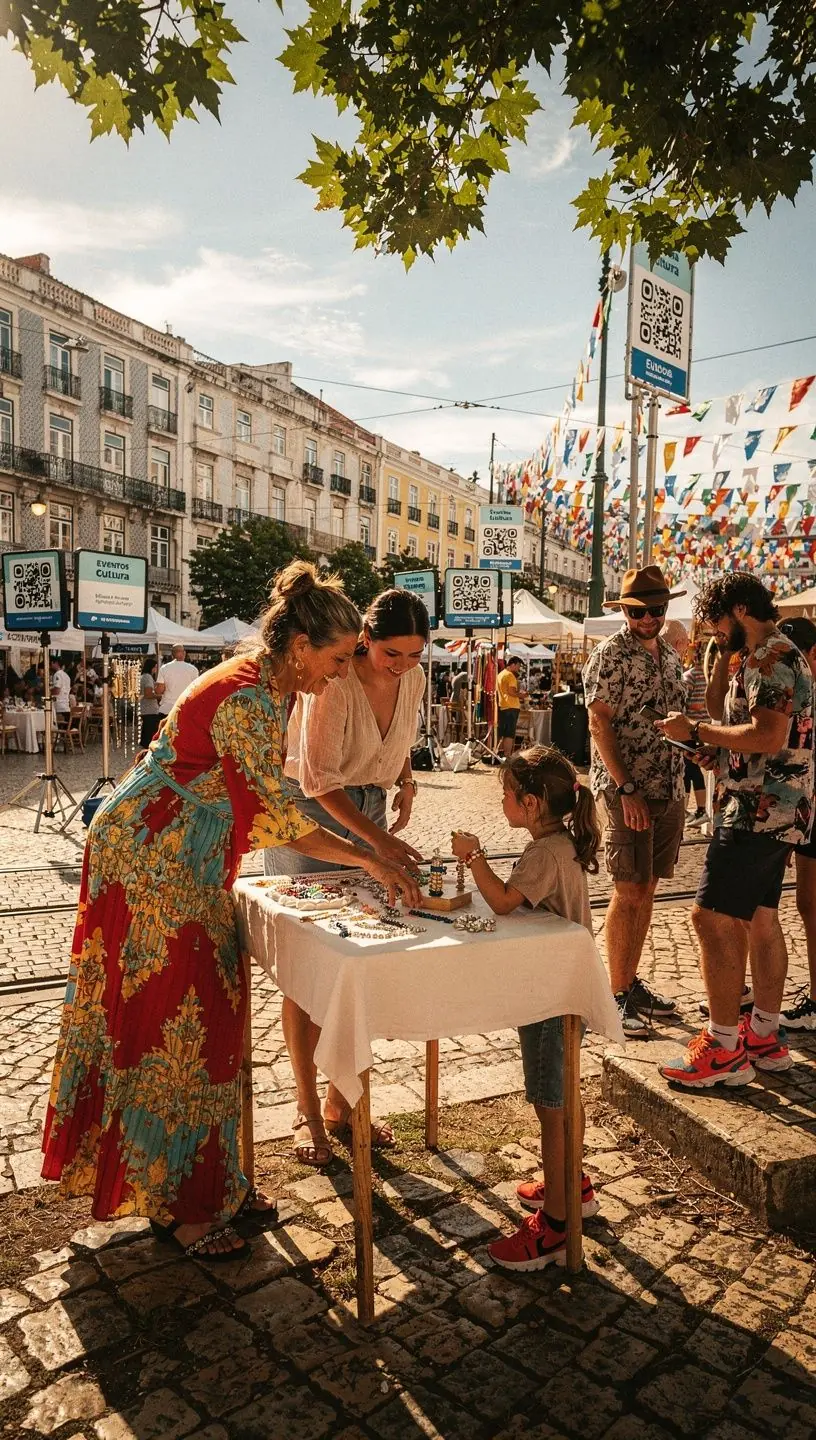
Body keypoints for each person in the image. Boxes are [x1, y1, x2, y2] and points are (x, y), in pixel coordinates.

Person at [41, 562, 420, 1263]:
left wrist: (371, 846)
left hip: (183, 852)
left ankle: (206, 1182)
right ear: (301, 646)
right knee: (172, 1020)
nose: (340, 676)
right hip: (152, 859)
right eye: (338, 660)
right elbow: (275, 818)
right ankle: (182, 1209)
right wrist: (371, 856)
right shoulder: (248, 696)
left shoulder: (264, 685)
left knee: (210, 1008)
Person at [264, 588, 428, 1165]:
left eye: (415, 654)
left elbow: (400, 735)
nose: (404, 666)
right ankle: (306, 1106)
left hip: (369, 802)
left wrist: (404, 779)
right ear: (365, 641)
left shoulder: (415, 677)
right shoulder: (334, 683)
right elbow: (318, 782)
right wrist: (376, 843)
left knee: (361, 956)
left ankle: (342, 1101)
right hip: (313, 809)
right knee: (307, 966)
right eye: (392, 654)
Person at [658, 575, 814, 1088]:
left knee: (711, 917)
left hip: (757, 810)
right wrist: (719, 753)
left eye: (716, 620)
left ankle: (724, 1046)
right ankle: (763, 1035)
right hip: (778, 807)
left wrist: (696, 730)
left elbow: (769, 734)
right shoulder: (776, 653)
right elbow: (763, 738)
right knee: (762, 919)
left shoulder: (769, 656)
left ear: (739, 610)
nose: (713, 631)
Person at [450, 745, 602, 1269]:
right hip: (561, 990)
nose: (502, 803)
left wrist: (473, 857)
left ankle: (556, 1225)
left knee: (549, 1103)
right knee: (563, 1095)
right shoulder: (560, 842)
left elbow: (503, 900)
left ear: (533, 804)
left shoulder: (546, 852)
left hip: (551, 995)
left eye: (507, 795)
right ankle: (571, 1184)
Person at [582, 565, 687, 1038]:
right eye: (640, 611)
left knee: (647, 887)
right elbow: (598, 723)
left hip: (669, 784)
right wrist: (625, 788)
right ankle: (615, 992)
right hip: (629, 787)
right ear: (624, 611)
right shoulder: (611, 654)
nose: (650, 618)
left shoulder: (669, 655)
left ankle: (630, 981)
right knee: (628, 888)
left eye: (658, 609)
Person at [777, 617, 816, 1031]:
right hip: (805, 811)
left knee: (812, 906)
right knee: (807, 905)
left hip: (809, 809)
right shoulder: (798, 691)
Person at [683, 644, 710, 827]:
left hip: (688, 728)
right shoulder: (710, 676)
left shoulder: (690, 676)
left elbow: (681, 702)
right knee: (693, 770)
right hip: (704, 729)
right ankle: (698, 810)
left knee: (688, 769)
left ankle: (691, 810)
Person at [156, 644, 199, 717]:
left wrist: (156, 688)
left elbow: (159, 690)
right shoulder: (193, 669)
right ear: (184, 653)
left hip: (167, 708)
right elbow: (196, 690)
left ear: (172, 654)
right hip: (185, 707)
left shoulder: (164, 668)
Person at [497, 655, 524, 758]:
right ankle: (507, 755)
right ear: (513, 664)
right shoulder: (510, 676)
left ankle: (500, 753)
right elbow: (511, 692)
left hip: (503, 705)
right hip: (511, 707)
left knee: (502, 732)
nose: (518, 668)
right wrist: (522, 695)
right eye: (518, 666)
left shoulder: (500, 674)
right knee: (509, 733)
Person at [138, 657, 162, 748]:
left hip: (145, 709)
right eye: (155, 667)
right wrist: (160, 697)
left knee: (146, 733)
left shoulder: (143, 676)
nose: (156, 669)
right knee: (150, 734)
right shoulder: (148, 677)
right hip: (150, 710)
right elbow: (148, 694)